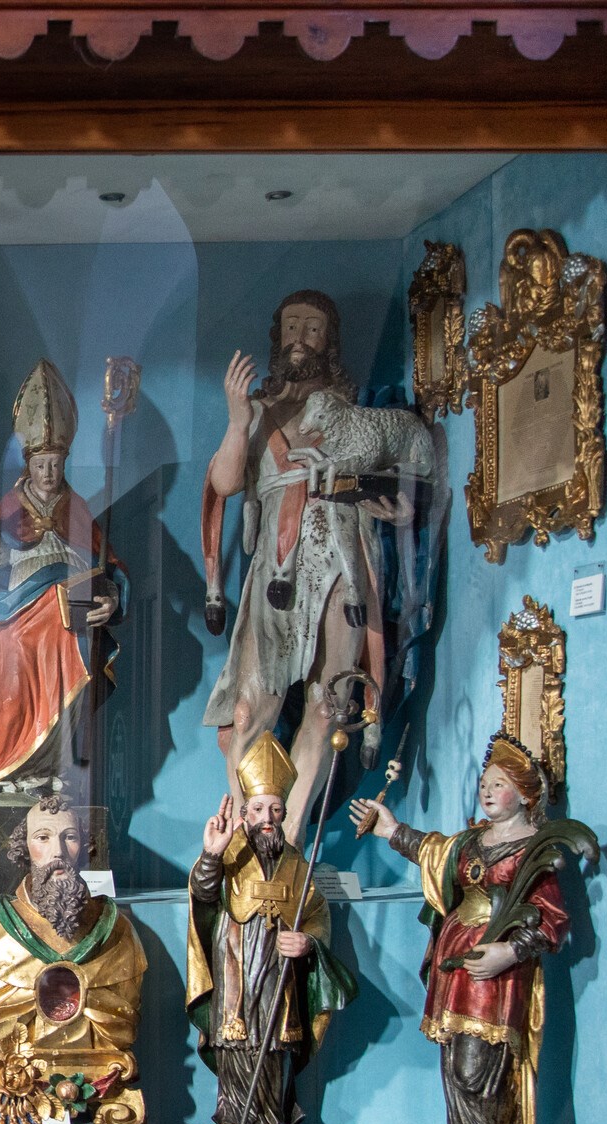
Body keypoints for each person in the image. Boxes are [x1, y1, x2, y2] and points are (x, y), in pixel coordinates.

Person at [200, 290, 428, 834]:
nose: (300, 339)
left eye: (314, 328)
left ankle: (291, 843)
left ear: (330, 341)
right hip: (276, 569)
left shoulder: (357, 411)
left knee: (328, 707)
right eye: (292, 327)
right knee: (249, 711)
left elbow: (410, 480)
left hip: (341, 559)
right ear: (277, 337)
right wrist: (236, 420)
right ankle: (246, 844)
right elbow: (225, 484)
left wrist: (396, 505)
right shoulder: (258, 411)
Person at [350, 735, 590, 1124]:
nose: (486, 791)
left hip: (497, 970)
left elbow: (553, 918)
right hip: (456, 960)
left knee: (478, 1065)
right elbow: (435, 852)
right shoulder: (473, 840)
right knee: (453, 1060)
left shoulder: (533, 848)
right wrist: (391, 830)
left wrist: (509, 951)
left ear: (525, 794)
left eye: (498, 784)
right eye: (484, 783)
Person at [185, 731, 356, 1124]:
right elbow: (203, 894)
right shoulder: (229, 852)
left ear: (283, 814)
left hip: (279, 968)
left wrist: (307, 942)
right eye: (259, 808)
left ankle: (273, 1116)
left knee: (276, 1041)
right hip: (236, 962)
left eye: (275, 809)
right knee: (238, 1040)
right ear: (245, 812)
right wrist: (210, 854)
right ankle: (238, 1115)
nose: (267, 818)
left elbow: (316, 914)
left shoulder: (296, 863)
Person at [0, 359, 124, 797]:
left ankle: (51, 770)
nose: (49, 473)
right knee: (12, 691)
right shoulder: (9, 507)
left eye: (55, 464)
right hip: (17, 620)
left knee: (65, 696)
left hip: (67, 627)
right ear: (28, 465)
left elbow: (107, 567)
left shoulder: (78, 509)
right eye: (41, 465)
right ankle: (5, 771)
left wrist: (110, 596)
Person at [0, 796, 147, 1124]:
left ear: (84, 847)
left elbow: (124, 1022)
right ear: (24, 848)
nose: (58, 852)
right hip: (18, 1079)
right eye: (43, 837)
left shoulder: (116, 931)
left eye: (70, 837)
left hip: (97, 1068)